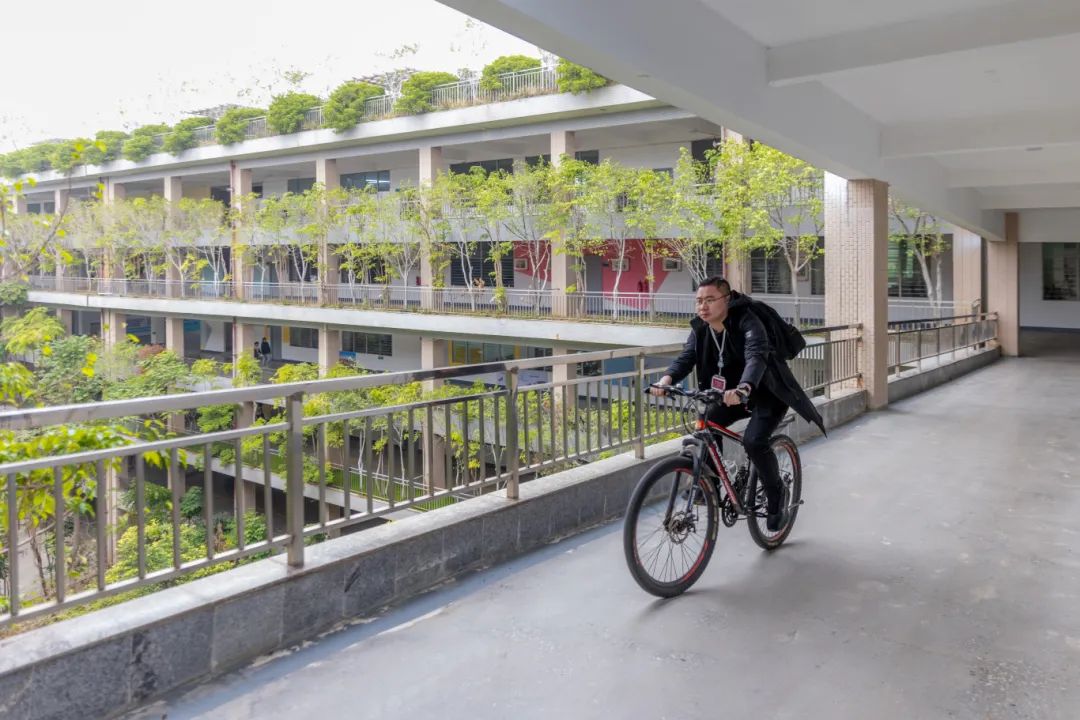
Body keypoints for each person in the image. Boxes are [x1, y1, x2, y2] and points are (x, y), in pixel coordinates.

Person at [651, 276, 824, 532]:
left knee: (753, 442)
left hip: (766, 393)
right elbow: (686, 357)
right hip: (728, 395)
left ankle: (776, 496)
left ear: (727, 299)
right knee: (707, 423)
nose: (703, 306)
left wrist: (744, 387)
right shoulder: (701, 328)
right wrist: (665, 380)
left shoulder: (748, 321)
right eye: (699, 301)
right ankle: (710, 484)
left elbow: (756, 355)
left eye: (710, 300)